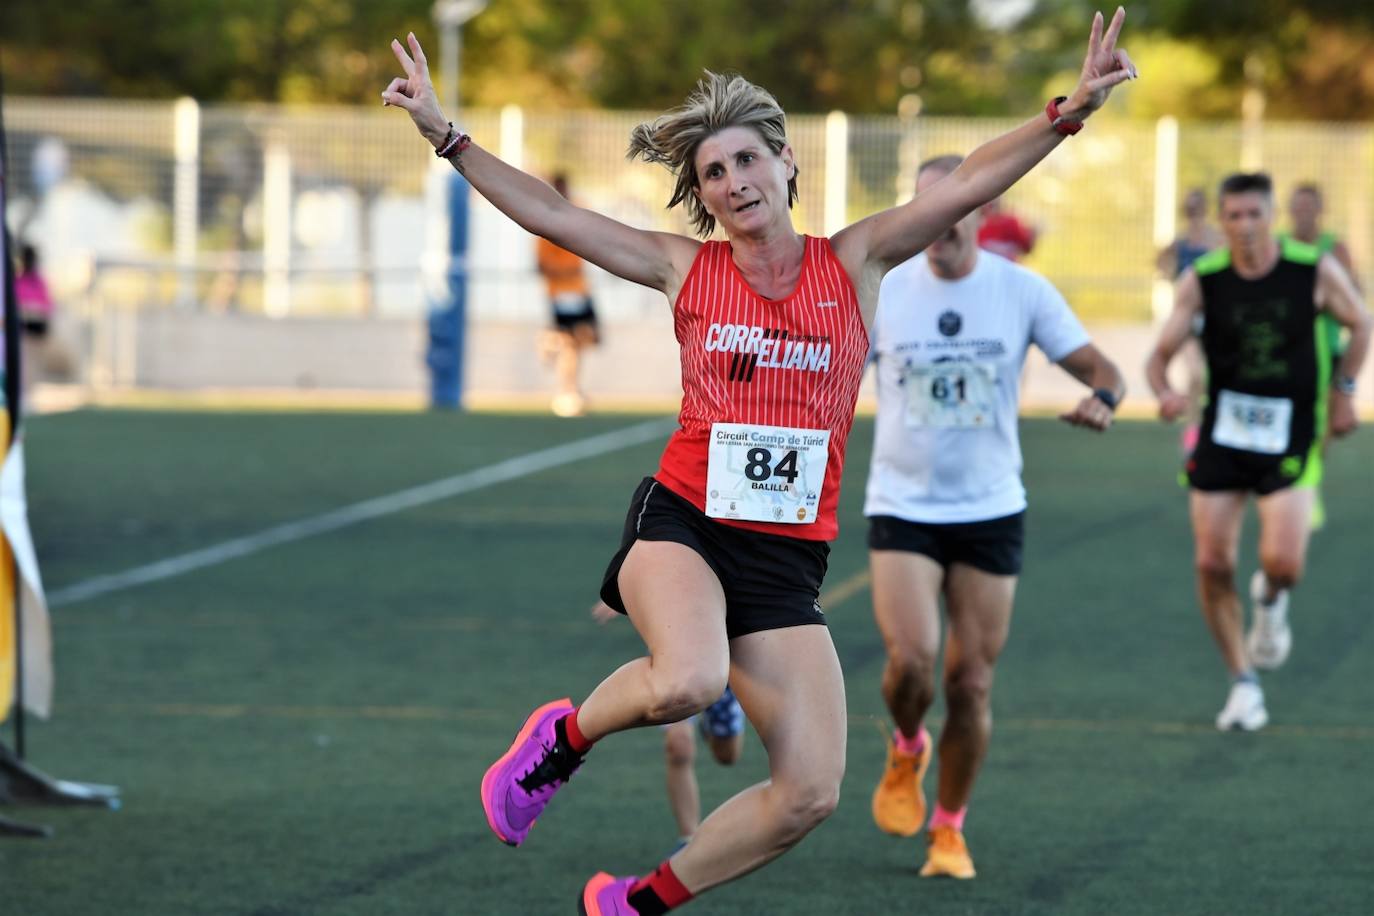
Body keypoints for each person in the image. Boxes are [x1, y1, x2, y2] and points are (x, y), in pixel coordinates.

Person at [382, 12, 1135, 912]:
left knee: (810, 791)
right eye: (713, 172)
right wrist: (448, 136)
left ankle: (635, 902)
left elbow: (968, 180)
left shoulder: (855, 261)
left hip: (787, 558)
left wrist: (1068, 112)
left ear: (786, 166)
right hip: (686, 524)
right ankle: (562, 740)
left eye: (747, 160)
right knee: (691, 678)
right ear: (702, 198)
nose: (734, 181)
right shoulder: (684, 269)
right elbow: (554, 213)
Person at [865, 154, 1125, 879]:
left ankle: (948, 827)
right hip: (903, 505)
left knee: (971, 682)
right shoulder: (882, 292)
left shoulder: (1021, 291)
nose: (941, 220)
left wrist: (1104, 399)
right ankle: (908, 743)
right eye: (927, 207)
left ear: (983, 210)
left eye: (958, 203)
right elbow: (822, 373)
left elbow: (1104, 370)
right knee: (910, 664)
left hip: (989, 508)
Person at [1144, 172, 1370, 732]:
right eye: (1234, 216)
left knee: (1284, 564)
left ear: (1273, 217)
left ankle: (1269, 600)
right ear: (1222, 222)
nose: (1245, 226)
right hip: (1222, 433)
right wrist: (1166, 392)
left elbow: (1360, 323)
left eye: (1255, 214)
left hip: (1289, 432)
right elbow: (1159, 355)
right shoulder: (1205, 279)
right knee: (1211, 562)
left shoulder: (1310, 268)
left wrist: (1344, 394)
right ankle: (1243, 684)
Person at [592, 600, 745, 850]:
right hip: (676, 656)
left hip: (728, 661)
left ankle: (710, 727)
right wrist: (622, 591)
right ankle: (688, 841)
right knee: (679, 746)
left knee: (727, 755)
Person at [1278, 183, 1360, 529]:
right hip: (1285, 348)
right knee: (1287, 421)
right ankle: (1287, 487)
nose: (1303, 212)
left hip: (1326, 346)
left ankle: (1308, 487)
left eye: (1310, 206)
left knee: (1322, 427)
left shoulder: (1333, 249)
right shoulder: (1278, 245)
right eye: (1298, 206)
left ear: (1320, 209)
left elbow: (1355, 293)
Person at [1157, 189, 1224, 455]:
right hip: (1187, 321)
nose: (1193, 214)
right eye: (1189, 209)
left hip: (1214, 319)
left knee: (1216, 376)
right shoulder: (1179, 243)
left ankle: (1215, 429)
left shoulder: (1216, 241)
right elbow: (1161, 265)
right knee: (1196, 375)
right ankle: (1193, 432)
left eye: (1197, 208)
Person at [537, 174, 602, 417]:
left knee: (588, 340)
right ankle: (567, 391)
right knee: (570, 345)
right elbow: (542, 265)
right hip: (562, 293)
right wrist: (565, 270)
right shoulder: (546, 223)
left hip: (580, 290)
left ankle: (551, 343)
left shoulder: (575, 214)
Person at [975, 197, 1036, 261]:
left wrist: (1033, 235)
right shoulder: (980, 224)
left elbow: (1026, 247)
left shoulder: (1011, 222)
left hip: (1007, 266)